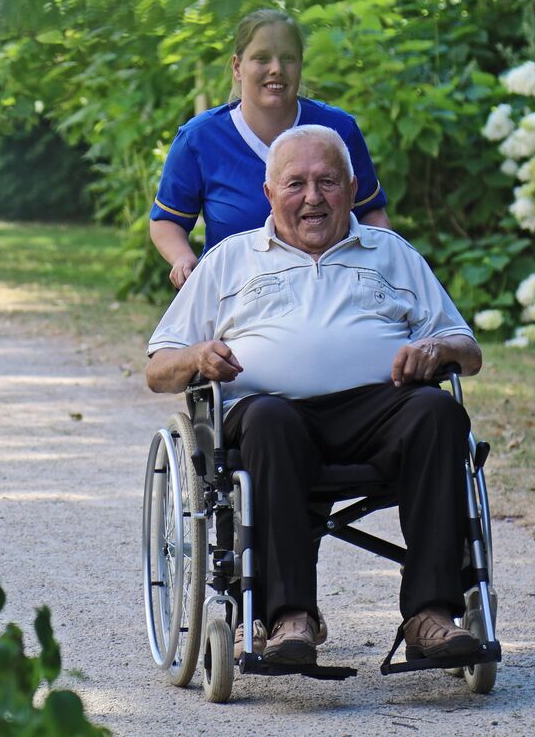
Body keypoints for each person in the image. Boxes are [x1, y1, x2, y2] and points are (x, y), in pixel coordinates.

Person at [145, 124, 483, 667]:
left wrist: (436, 349)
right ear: (269, 194)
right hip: (270, 414)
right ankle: (289, 618)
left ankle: (430, 615)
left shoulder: (390, 253)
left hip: (378, 408)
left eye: (327, 181)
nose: (312, 197)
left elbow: (468, 350)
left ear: (352, 188)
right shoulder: (231, 259)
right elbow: (159, 368)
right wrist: (198, 357)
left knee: (439, 412)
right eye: (296, 183)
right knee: (273, 421)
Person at [149, 8, 391, 289]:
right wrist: (182, 259)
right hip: (233, 296)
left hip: (332, 293)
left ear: (300, 66)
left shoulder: (338, 130)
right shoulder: (199, 139)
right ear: (238, 67)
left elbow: (371, 214)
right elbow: (166, 221)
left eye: (288, 58)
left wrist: (381, 266)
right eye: (262, 58)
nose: (276, 68)